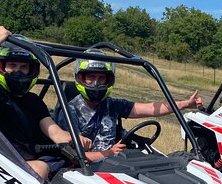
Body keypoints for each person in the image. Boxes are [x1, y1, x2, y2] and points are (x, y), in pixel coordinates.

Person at [0, 23, 81, 179]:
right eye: (12, 65)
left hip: (29, 161)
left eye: (23, 67)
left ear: (32, 70)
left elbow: (54, 132)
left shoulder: (34, 101)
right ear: (0, 66)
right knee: (39, 169)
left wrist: (73, 138)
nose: (17, 71)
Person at [55, 48, 204, 162]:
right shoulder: (69, 111)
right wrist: (110, 153)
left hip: (115, 163)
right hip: (87, 173)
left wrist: (185, 104)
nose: (96, 83)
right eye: (91, 77)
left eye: (101, 78)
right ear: (80, 78)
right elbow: (72, 157)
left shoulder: (111, 104)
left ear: (109, 80)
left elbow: (150, 109)